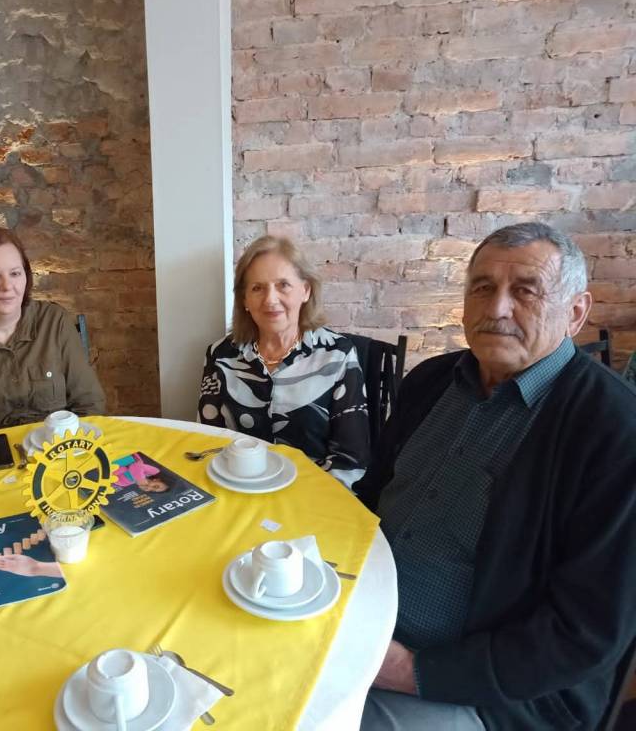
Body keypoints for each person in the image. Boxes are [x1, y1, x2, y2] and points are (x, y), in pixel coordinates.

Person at [355, 223, 636, 730]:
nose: (497, 308)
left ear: (575, 312)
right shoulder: (429, 381)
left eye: (526, 291)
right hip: (359, 623)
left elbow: (585, 635)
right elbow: (371, 497)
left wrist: (408, 670)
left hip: (485, 694)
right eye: (482, 288)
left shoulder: (615, 431)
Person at [198, 235, 369, 486]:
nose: (270, 299)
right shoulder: (220, 355)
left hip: (313, 495)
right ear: (244, 300)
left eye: (283, 285)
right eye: (257, 288)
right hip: (238, 491)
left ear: (305, 291)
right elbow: (207, 441)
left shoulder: (338, 355)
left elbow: (350, 460)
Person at [0, 227, 106, 445]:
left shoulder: (54, 321)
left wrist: (72, 451)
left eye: (15, 273)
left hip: (62, 451)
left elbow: (89, 405)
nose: (7, 286)